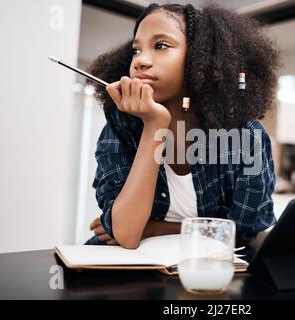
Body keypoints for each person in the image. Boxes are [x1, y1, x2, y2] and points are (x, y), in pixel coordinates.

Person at [85, 3, 281, 249]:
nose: (140, 61)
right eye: (136, 50)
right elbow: (126, 233)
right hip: (126, 274)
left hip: (208, 274)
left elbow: (244, 232)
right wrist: (154, 125)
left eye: (161, 46)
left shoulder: (246, 137)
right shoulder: (121, 126)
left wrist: (154, 228)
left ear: (201, 58)